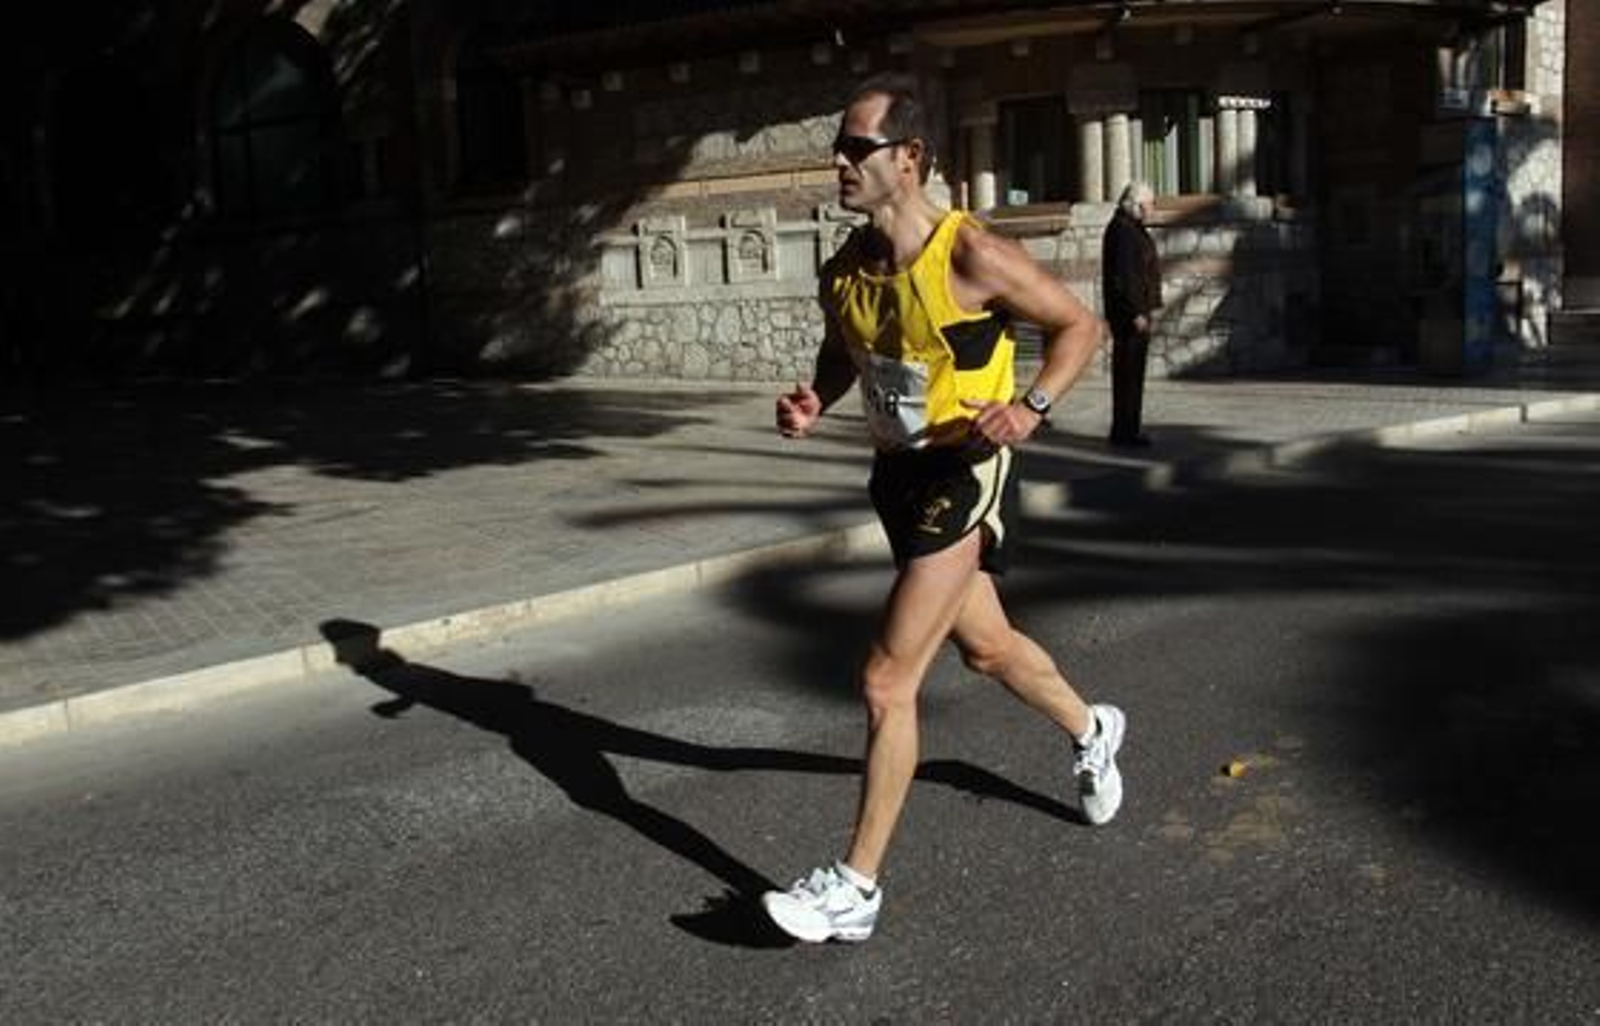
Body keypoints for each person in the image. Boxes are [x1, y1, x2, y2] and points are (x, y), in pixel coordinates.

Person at [763, 73, 1127, 944]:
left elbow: (1080, 326)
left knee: (888, 681)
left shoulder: (971, 254)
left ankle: (856, 888)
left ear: (912, 158)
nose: (840, 161)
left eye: (859, 147)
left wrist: (1031, 407)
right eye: (840, 146)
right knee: (988, 649)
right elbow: (849, 350)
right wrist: (816, 398)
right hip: (897, 478)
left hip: (965, 475)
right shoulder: (845, 268)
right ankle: (1092, 727)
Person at [1101, 181, 1163, 447]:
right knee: (1128, 373)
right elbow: (1124, 277)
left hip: (1135, 312)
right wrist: (1137, 312)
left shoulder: (1130, 228)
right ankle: (1125, 432)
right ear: (1136, 205)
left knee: (1132, 373)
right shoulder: (1123, 231)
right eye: (1149, 205)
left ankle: (1128, 428)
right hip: (1129, 316)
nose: (1152, 210)